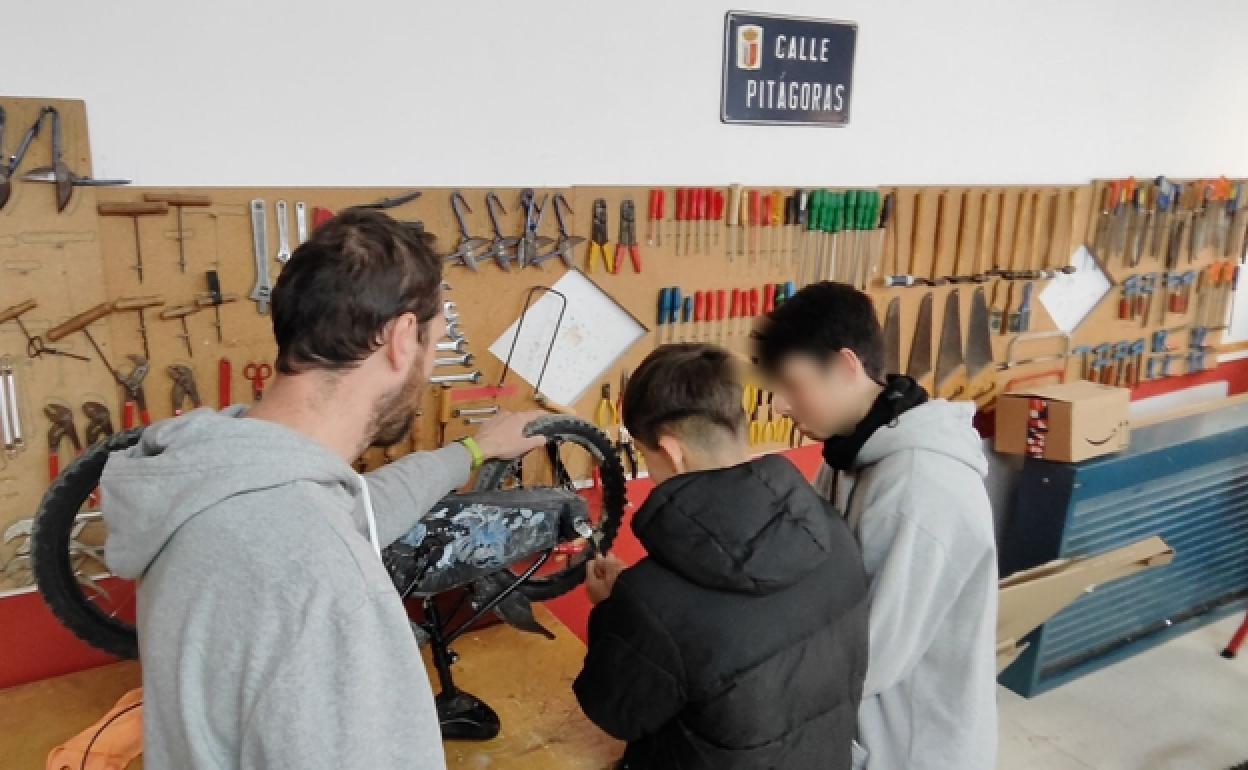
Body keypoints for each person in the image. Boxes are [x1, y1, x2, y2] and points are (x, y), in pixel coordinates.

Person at [100, 209, 546, 769]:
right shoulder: (326, 582)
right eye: (433, 342)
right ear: (402, 338)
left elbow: (359, 505)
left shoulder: (214, 478)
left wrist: (472, 451)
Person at [573, 343, 869, 769]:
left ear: (672, 451)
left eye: (645, 454)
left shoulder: (651, 601)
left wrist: (614, 613)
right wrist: (636, 610)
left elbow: (615, 711)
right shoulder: (829, 530)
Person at [753, 281, 998, 770]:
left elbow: (870, 658)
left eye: (792, 384)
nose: (781, 405)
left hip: (909, 746)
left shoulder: (917, 490)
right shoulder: (851, 452)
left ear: (845, 365)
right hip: (863, 731)